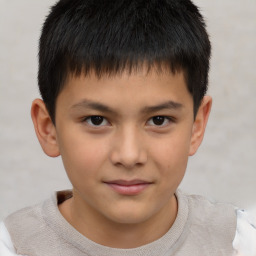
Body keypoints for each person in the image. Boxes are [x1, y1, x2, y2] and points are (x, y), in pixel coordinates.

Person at [0, 0, 255, 255]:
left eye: (158, 120)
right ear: (48, 128)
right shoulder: (14, 247)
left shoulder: (239, 244)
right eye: (96, 120)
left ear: (196, 126)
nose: (129, 155)